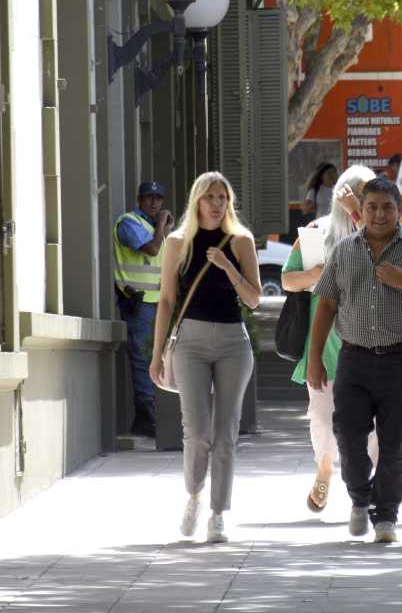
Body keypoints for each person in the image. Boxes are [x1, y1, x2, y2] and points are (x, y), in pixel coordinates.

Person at [306, 177, 402, 544]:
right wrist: (315, 357)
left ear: (399, 210)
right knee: (348, 436)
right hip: (354, 358)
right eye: (372, 207)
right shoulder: (343, 251)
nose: (380, 214)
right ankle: (360, 498)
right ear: (361, 210)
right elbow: (325, 305)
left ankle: (386, 515)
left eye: (388, 207)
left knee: (394, 441)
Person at [149, 172, 262, 544]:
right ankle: (194, 495)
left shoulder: (241, 241)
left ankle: (218, 514)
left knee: (226, 432)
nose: (216, 204)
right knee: (196, 433)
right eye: (210, 196)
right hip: (191, 344)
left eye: (223, 197)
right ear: (196, 201)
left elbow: (254, 299)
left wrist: (228, 267)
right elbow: (166, 301)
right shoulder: (177, 243)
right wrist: (156, 354)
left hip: (233, 343)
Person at [281, 164, 380, 514]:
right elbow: (288, 280)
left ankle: (373, 483)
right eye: (360, 194)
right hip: (323, 346)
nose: (369, 201)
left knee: (371, 424)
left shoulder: (378, 235)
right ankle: (324, 469)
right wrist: (312, 274)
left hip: (369, 344)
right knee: (322, 418)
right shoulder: (315, 233)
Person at [113, 181, 173, 437]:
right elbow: (151, 248)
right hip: (138, 303)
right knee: (142, 360)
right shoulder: (129, 223)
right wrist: (162, 227)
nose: (154, 203)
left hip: (158, 303)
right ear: (139, 200)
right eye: (149, 198)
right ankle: (146, 419)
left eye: (159, 198)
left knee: (159, 358)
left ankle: (152, 416)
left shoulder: (155, 228)